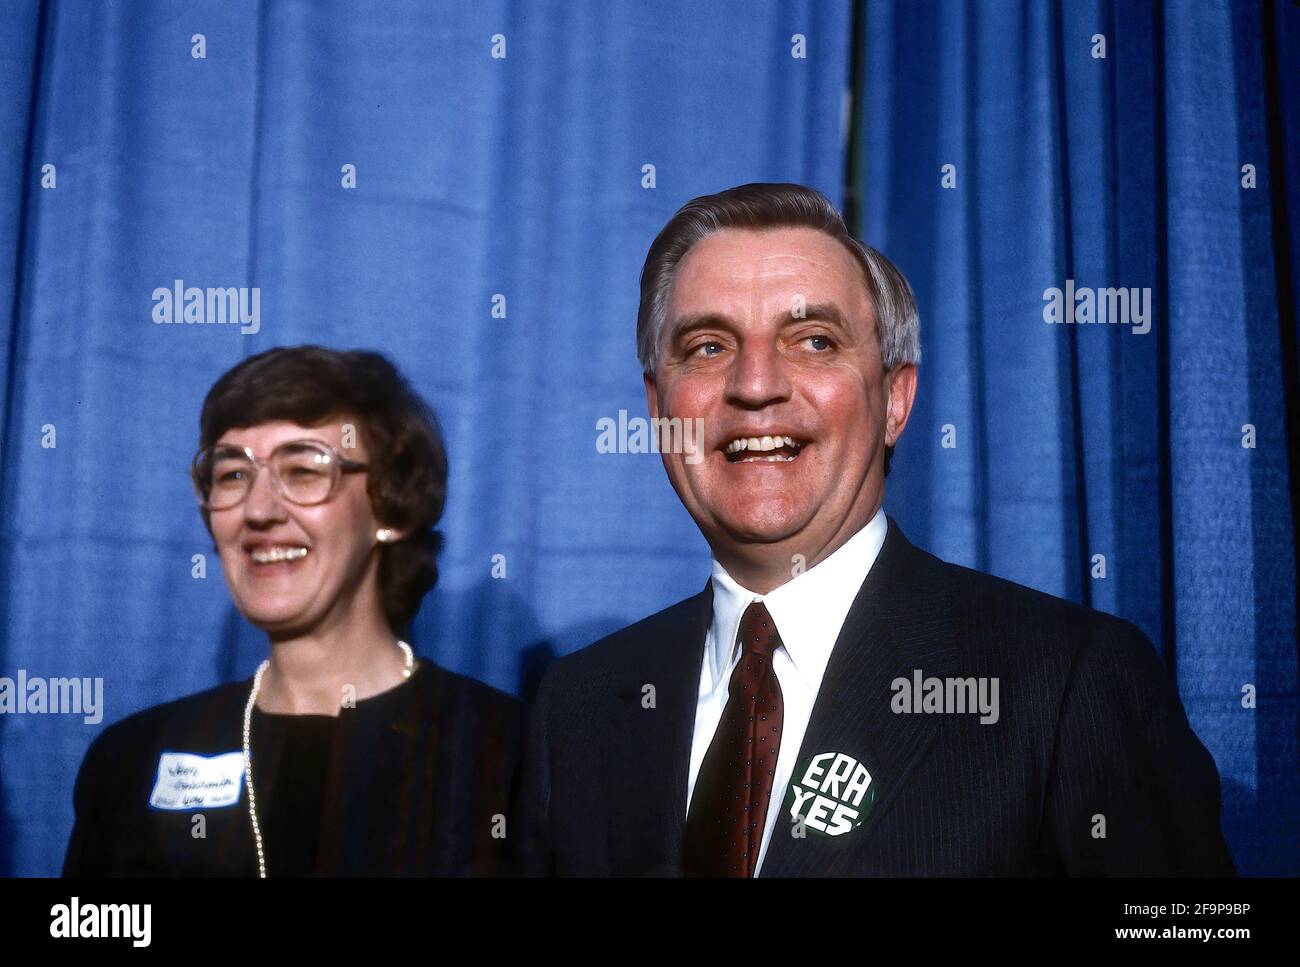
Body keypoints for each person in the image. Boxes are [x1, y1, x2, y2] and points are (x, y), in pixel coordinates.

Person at [515, 183, 1235, 876]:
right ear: (658, 405)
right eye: (708, 346)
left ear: (895, 398)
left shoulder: (1068, 684)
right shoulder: (579, 708)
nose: (756, 383)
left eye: (814, 341)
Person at [64, 346, 522, 876]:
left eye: (303, 470)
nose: (258, 511)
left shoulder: (507, 752)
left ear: (392, 505)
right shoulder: (133, 759)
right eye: (232, 475)